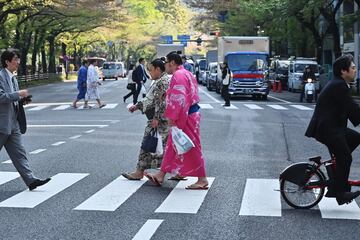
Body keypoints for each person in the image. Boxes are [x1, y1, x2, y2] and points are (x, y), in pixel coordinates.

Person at [144, 52, 209, 190]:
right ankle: (161, 175)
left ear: (172, 63)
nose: (165, 65)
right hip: (190, 113)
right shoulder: (186, 73)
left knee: (192, 146)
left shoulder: (178, 75)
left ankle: (202, 179)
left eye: (166, 62)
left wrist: (172, 118)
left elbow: (178, 99)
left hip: (186, 115)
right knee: (172, 145)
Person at [305, 54, 360, 205]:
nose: (355, 70)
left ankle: (337, 175)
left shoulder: (338, 84)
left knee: (355, 139)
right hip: (328, 129)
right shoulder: (339, 85)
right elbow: (352, 108)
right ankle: (340, 192)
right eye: (353, 68)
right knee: (346, 158)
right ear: (344, 71)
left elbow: (350, 109)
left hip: (333, 128)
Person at [0, 49, 51, 190]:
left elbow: (13, 99)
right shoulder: (0, 76)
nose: (18, 62)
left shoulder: (13, 78)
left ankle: (31, 180)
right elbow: (1, 97)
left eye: (18, 59)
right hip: (2, 123)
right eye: (15, 59)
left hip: (13, 123)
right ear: (7, 61)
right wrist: (18, 94)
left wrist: (22, 100)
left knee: (19, 153)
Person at [122, 59, 170, 180]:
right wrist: (137, 106)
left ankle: (139, 171)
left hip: (158, 120)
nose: (150, 74)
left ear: (158, 69)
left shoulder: (161, 82)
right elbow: (150, 99)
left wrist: (156, 118)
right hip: (160, 119)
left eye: (151, 70)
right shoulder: (160, 80)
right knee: (161, 147)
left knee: (147, 145)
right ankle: (175, 171)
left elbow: (160, 102)